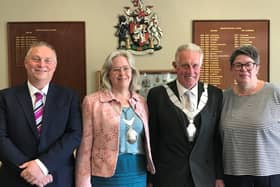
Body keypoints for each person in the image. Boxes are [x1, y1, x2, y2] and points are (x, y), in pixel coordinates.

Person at [0, 41, 82, 187]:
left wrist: (42, 166)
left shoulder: (69, 97)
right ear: (26, 63)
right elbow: (1, 137)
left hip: (57, 178)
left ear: (55, 66)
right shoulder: (5, 97)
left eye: (48, 60)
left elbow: (74, 134)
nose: (41, 64)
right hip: (15, 178)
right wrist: (28, 170)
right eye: (36, 59)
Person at [147, 43, 224, 187]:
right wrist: (150, 179)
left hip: (204, 177)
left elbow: (217, 140)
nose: (190, 71)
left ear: (201, 67)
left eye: (195, 65)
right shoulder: (157, 95)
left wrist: (219, 176)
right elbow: (152, 139)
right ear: (175, 66)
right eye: (185, 65)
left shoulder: (215, 95)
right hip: (167, 177)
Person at [75, 50, 155, 187]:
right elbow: (85, 147)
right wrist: (82, 182)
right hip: (105, 174)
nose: (122, 73)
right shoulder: (92, 102)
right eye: (116, 69)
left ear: (132, 72)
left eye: (126, 68)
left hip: (137, 171)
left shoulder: (141, 102)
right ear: (108, 74)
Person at [220, 45, 280, 187]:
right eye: (238, 65)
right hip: (233, 175)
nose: (243, 69)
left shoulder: (274, 93)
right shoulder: (223, 98)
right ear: (231, 69)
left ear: (257, 67)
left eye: (248, 64)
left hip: (269, 174)